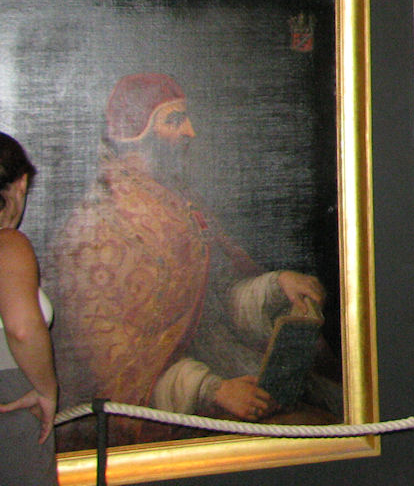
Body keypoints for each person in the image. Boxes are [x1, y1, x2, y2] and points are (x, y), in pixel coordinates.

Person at [47, 73, 338, 446]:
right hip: (169, 412)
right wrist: (211, 389)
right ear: (138, 132)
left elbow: (215, 302)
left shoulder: (177, 199)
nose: (190, 131)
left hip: (232, 370)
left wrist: (275, 287)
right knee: (309, 430)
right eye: (174, 120)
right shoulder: (101, 227)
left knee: (330, 404)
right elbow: (114, 366)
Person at [0, 134, 58, 485]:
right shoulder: (8, 244)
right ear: (20, 184)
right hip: (10, 396)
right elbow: (21, 328)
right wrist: (47, 390)